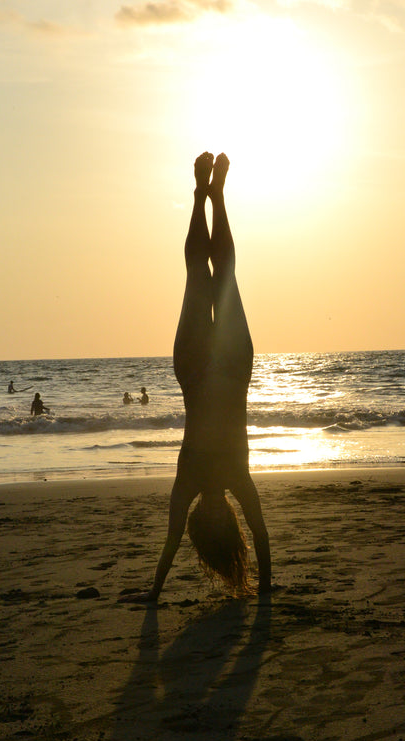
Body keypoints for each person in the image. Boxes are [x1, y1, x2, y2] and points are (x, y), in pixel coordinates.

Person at [122, 152, 271, 601]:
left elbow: (169, 544)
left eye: (201, 523)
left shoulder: (187, 483)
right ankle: (218, 196)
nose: (209, 515)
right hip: (231, 367)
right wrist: (265, 589)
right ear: (225, 520)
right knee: (222, 276)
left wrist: (153, 593)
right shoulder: (238, 479)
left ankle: (198, 195)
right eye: (217, 521)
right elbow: (261, 536)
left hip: (193, 370)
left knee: (195, 275)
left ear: (198, 523)